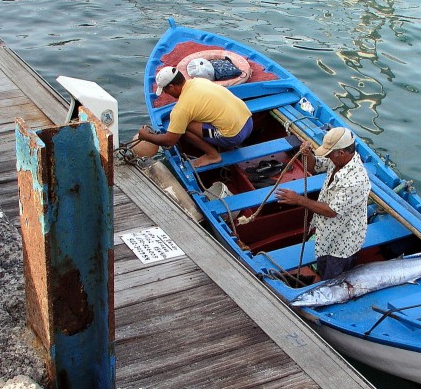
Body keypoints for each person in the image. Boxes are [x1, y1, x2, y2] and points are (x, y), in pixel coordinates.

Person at [275, 127, 370, 280]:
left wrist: (298, 199)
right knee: (323, 264)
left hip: (342, 242)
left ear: (341, 152)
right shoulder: (338, 160)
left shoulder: (356, 181)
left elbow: (331, 211)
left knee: (332, 280)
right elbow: (315, 166)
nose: (328, 157)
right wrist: (308, 155)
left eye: (329, 153)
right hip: (326, 233)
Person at [137, 67, 253, 168]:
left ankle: (212, 155)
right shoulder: (199, 81)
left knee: (183, 128)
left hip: (233, 136)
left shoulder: (182, 109)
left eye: (165, 90)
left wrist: (146, 136)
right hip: (248, 122)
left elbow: (169, 141)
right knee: (203, 114)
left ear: (171, 86)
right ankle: (225, 147)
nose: (166, 94)